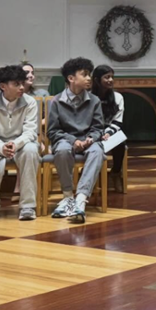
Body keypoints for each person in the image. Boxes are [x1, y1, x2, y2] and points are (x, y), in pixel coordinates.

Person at [0, 65, 40, 222]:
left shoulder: (30, 102)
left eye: (22, 83)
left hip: (22, 143)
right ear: (3, 86)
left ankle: (27, 206)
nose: (22, 87)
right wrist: (1, 147)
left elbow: (30, 132)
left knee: (31, 150)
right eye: (16, 84)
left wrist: (15, 144)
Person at [47, 57, 105, 223]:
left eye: (89, 74)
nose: (89, 78)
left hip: (88, 141)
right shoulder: (56, 101)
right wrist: (73, 140)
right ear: (71, 78)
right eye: (84, 74)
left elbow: (98, 128)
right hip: (65, 140)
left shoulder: (94, 101)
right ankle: (67, 196)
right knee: (62, 150)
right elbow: (53, 131)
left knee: (98, 151)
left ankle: (80, 198)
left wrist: (90, 139)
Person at [91, 65, 127, 193]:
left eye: (112, 77)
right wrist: (97, 134)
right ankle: (89, 173)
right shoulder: (88, 96)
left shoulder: (118, 97)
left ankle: (115, 172)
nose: (111, 80)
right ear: (97, 80)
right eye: (106, 77)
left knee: (120, 143)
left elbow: (118, 121)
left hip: (110, 131)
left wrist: (108, 133)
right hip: (92, 131)